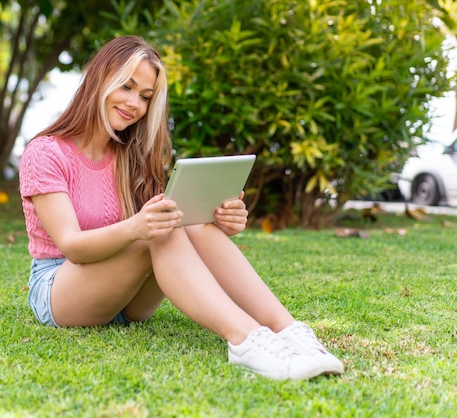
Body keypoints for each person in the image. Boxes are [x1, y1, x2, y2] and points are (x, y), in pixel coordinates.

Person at [19, 35, 344, 381]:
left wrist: (220, 221)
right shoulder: (45, 153)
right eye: (127, 87)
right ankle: (247, 340)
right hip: (59, 288)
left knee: (181, 219)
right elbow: (72, 246)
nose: (134, 104)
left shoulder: (131, 155)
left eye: (145, 97)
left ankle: (288, 331)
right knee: (156, 232)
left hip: (126, 299)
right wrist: (138, 227)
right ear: (100, 79)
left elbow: (172, 225)